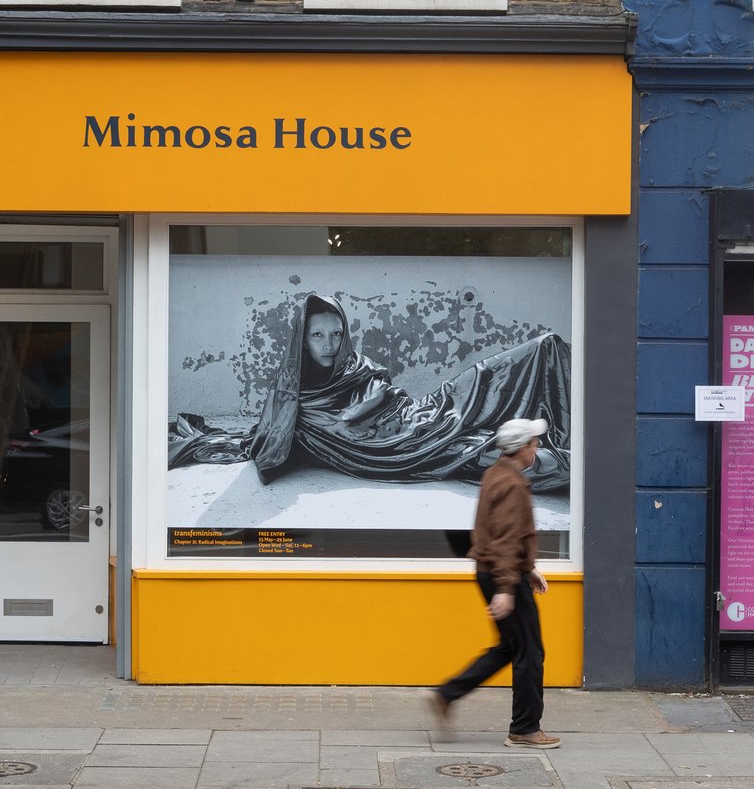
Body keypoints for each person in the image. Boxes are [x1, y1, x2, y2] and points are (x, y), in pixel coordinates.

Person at [169, 291, 570, 490]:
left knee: (539, 350)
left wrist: (375, 399)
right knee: (511, 456)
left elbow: (383, 391)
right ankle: (564, 451)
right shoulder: (292, 397)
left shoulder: (354, 367)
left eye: (336, 334)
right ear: (302, 340)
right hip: (408, 444)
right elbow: (279, 443)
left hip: (423, 414)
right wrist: (362, 409)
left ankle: (571, 425)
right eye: (318, 336)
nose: (329, 345)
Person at [430, 416, 560, 749]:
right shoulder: (513, 485)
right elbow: (504, 539)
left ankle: (447, 694)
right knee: (530, 653)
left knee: (509, 647)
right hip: (503, 575)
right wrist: (506, 588)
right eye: (534, 443)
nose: (538, 448)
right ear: (523, 449)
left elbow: (500, 535)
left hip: (496, 571)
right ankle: (525, 729)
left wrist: (528, 568)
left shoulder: (495, 474)